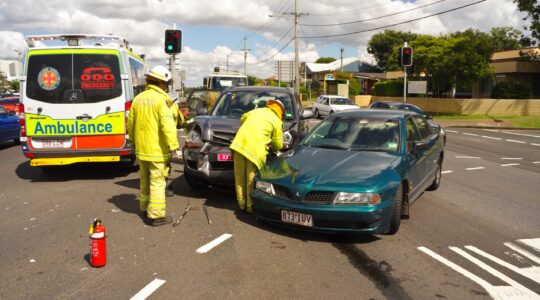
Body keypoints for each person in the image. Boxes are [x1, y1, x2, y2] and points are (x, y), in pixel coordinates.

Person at [127, 65, 180, 226]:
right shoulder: (162, 101)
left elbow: (131, 124)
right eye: (167, 84)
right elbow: (168, 125)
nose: (168, 87)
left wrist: (134, 143)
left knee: (144, 180)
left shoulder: (138, 99)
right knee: (157, 182)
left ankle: (144, 207)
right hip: (157, 151)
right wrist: (174, 146)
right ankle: (156, 216)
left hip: (142, 150)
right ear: (162, 83)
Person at [229, 99, 284, 213]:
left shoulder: (255, 111)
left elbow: (242, 118)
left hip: (239, 145)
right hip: (255, 151)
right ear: (281, 112)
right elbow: (278, 145)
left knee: (239, 177)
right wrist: (272, 146)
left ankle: (241, 203)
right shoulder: (276, 121)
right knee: (251, 179)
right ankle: (250, 207)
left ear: (269, 105)